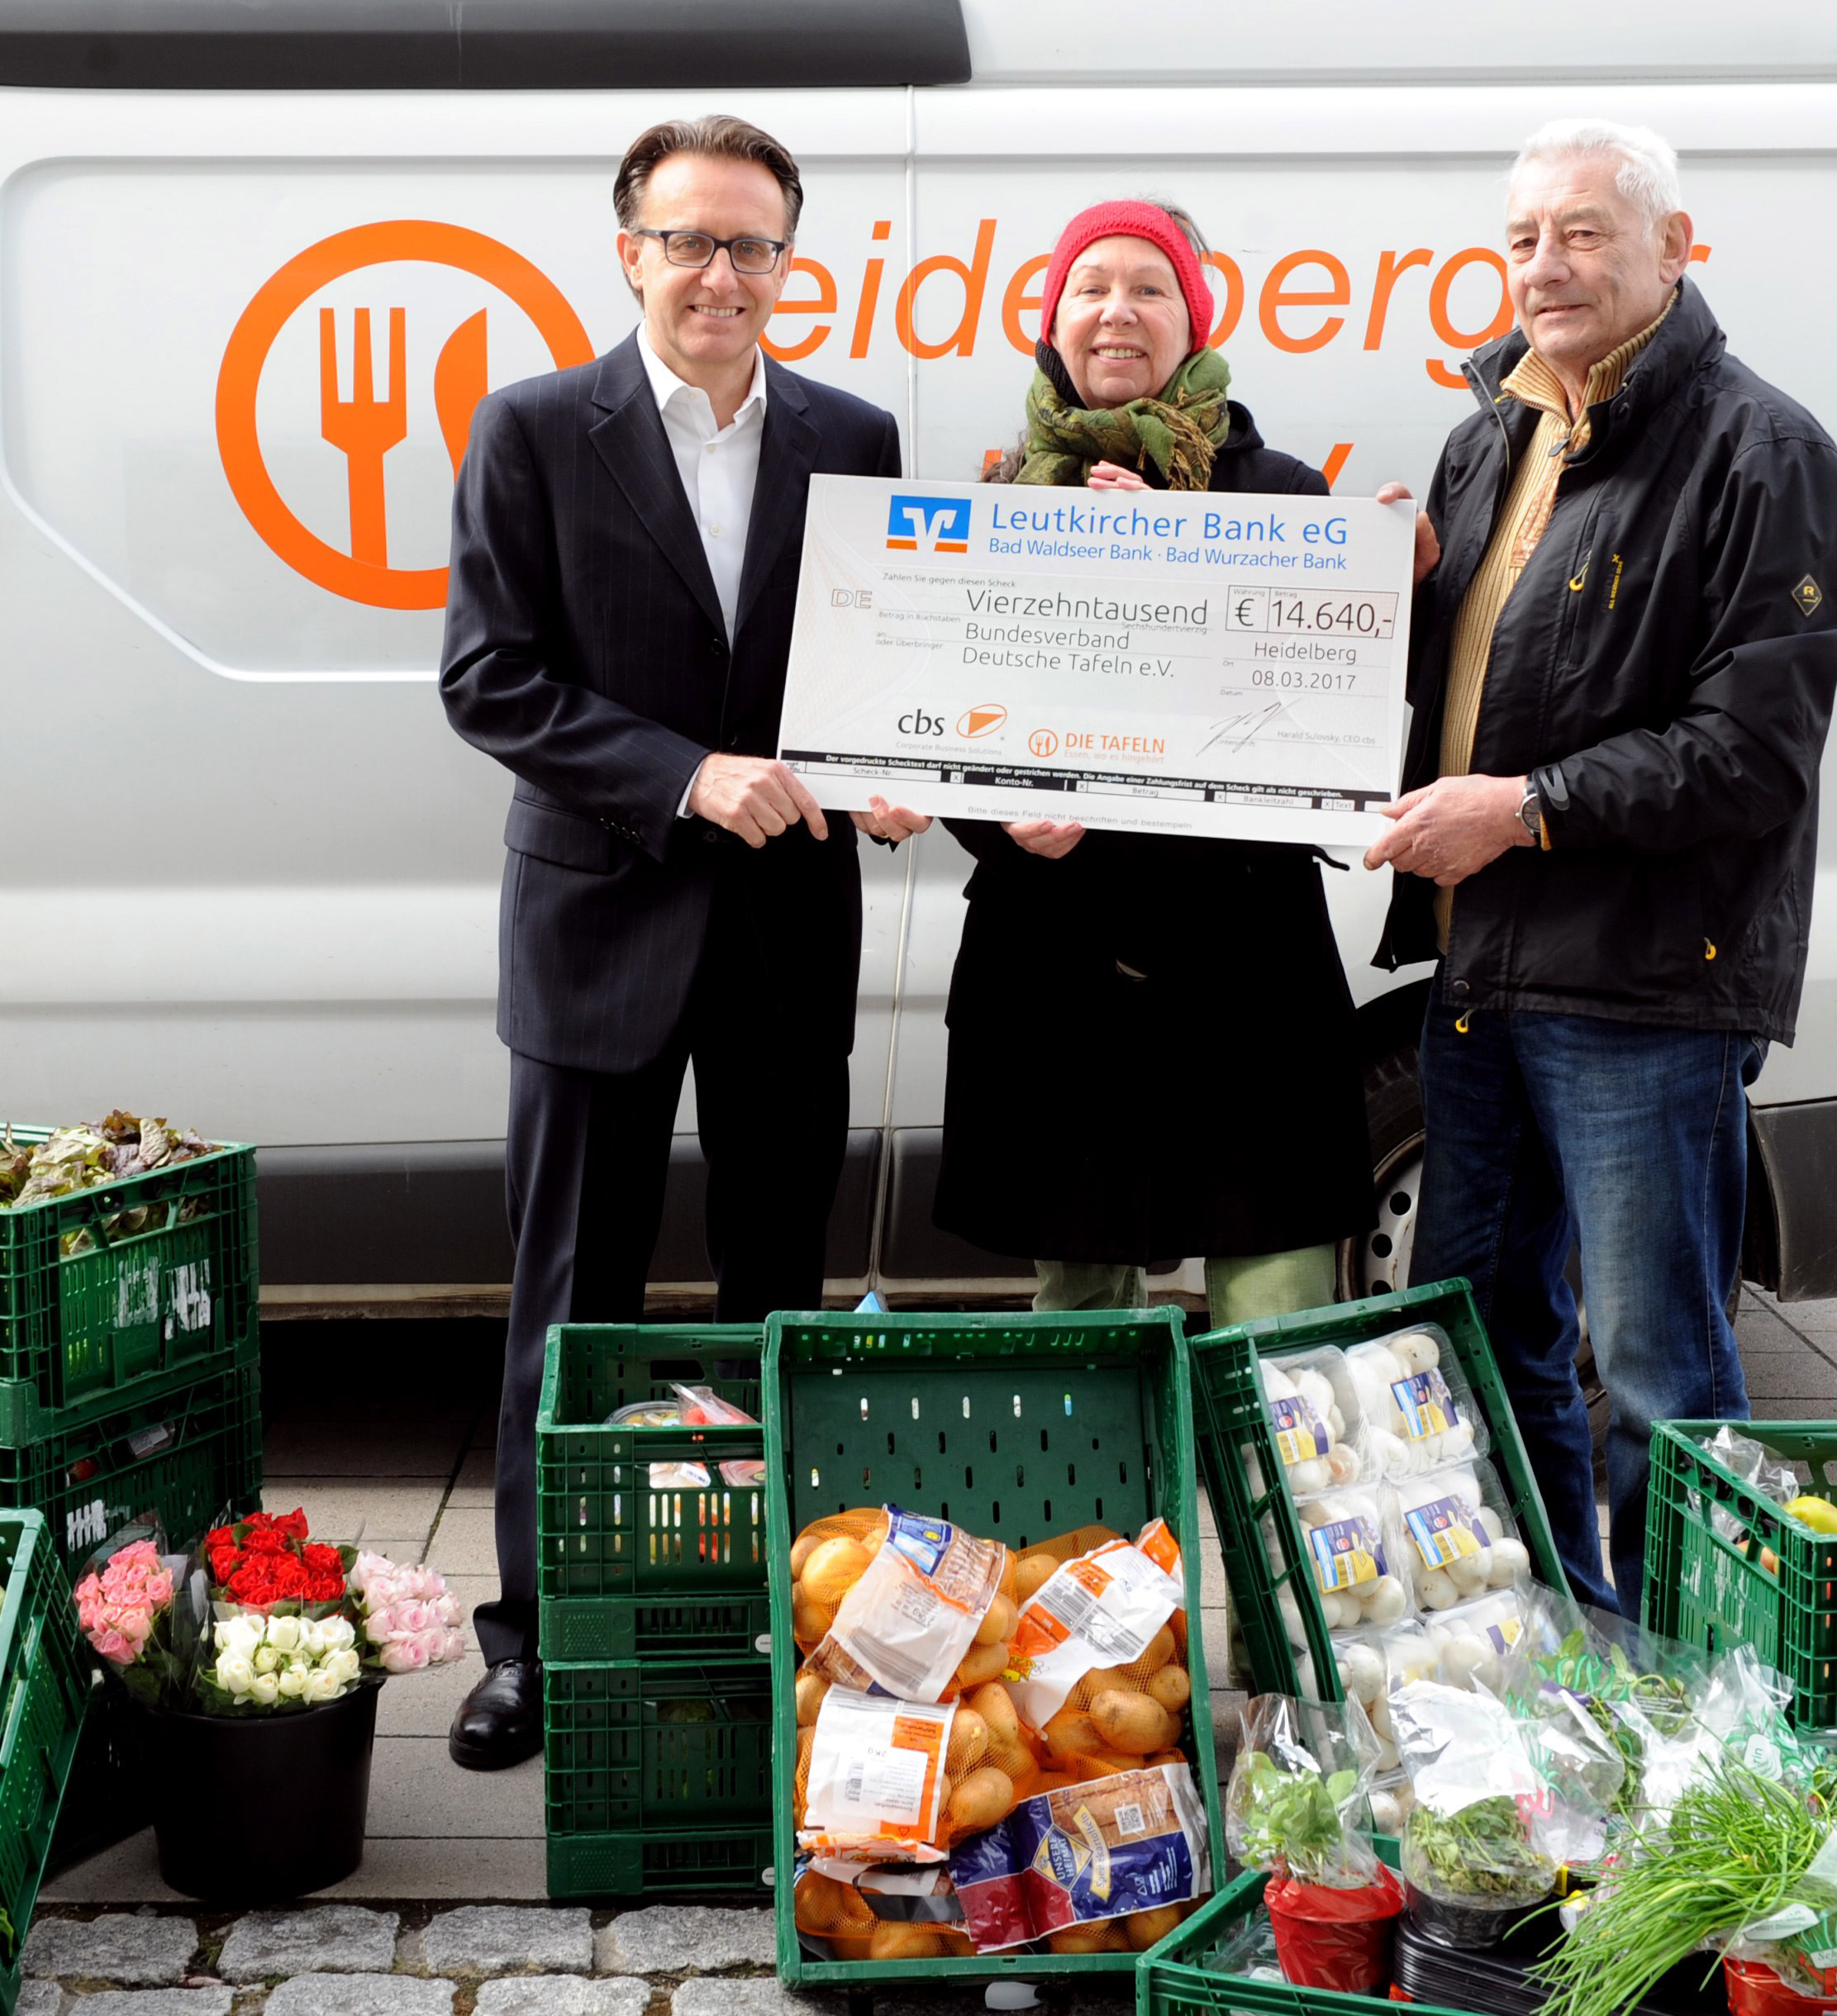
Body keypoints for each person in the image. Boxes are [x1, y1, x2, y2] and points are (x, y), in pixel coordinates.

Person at [438, 115, 922, 1768]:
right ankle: (533, 1641)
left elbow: (888, 669)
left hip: (790, 928)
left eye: (754, 246)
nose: (723, 275)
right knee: (572, 1306)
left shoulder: (857, 436)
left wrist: (897, 774)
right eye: (691, 240)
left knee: (778, 1293)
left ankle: (792, 1623)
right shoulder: (533, 432)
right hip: (599, 925)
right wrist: (683, 774)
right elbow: (487, 678)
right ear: (628, 248)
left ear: (793, 262)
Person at [1363, 121, 1837, 1617]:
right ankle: (1551, 1646)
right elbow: (1446, 680)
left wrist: (1524, 812)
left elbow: (1753, 752)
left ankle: (1694, 1695)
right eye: (1523, 238)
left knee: (1658, 1368)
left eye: (1583, 232)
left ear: (1674, 244)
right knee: (1483, 1329)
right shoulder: (1490, 434)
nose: (1545, 265)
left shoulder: (1763, 452)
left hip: (1645, 985)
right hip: (1482, 966)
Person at [933, 198, 1372, 1329]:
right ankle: (1098, 1521)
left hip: (1247, 975)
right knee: (1081, 1320)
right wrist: (1001, 824)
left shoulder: (1279, 497)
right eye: (1091, 287)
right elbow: (942, 726)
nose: (1117, 312)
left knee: (1277, 1320)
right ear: (1053, 320)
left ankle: (1269, 1512)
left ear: (1195, 319)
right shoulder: (993, 499)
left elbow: (1314, 726)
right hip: (1062, 973)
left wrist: (1172, 557)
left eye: (1149, 287)